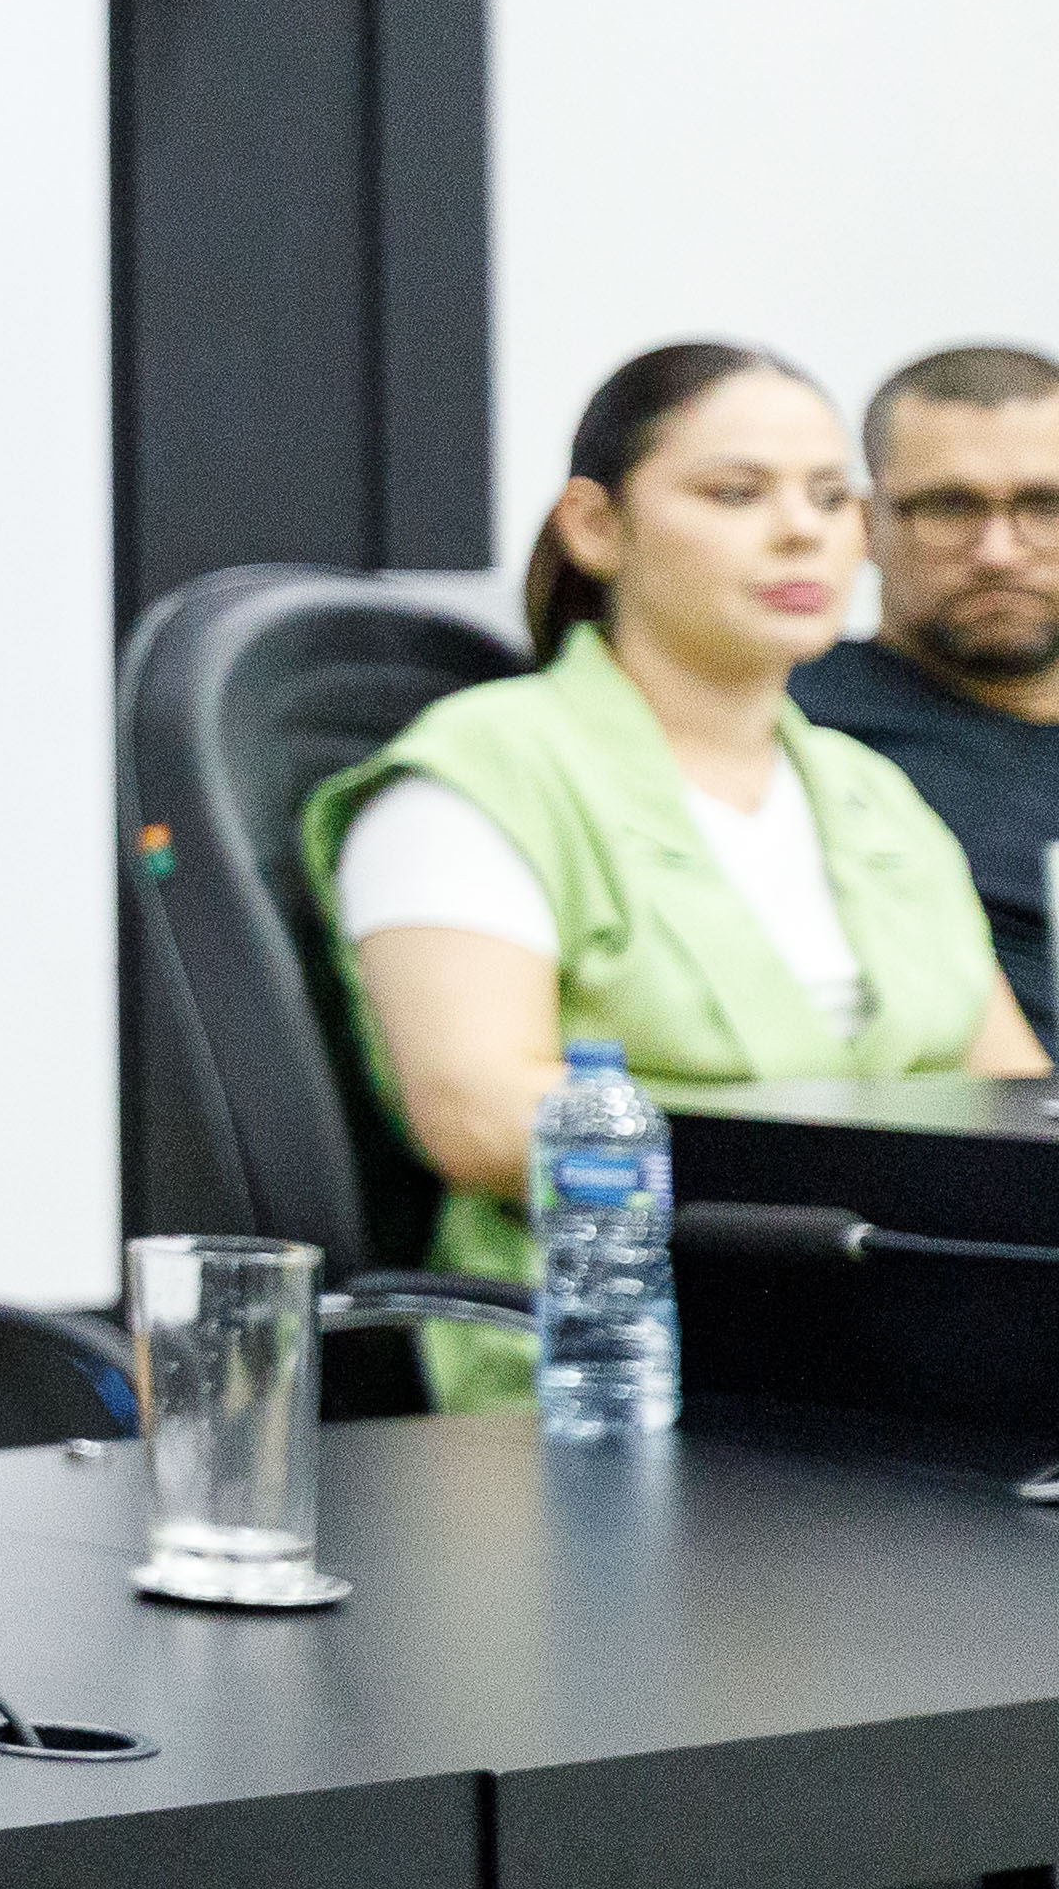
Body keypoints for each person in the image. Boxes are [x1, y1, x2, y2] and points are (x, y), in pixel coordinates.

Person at [316, 345, 1042, 1386]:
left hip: (908, 1348)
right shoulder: (483, 768)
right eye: (736, 492)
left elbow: (1011, 1100)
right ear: (594, 525)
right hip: (615, 1368)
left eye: (829, 496)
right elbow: (477, 1115)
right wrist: (864, 1176)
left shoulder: (870, 791)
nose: (801, 529)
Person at [794, 341, 1059, 1025]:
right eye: (950, 507)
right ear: (865, 525)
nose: (999, 552)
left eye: (1045, 505)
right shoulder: (781, 724)